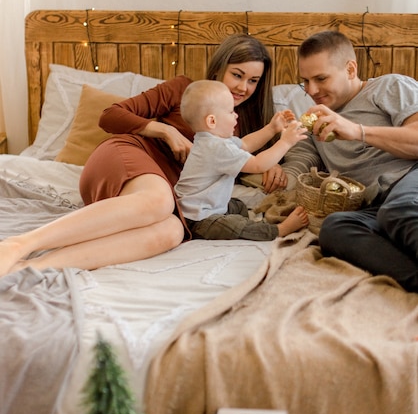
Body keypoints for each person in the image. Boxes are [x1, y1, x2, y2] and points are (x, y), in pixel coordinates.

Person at [0, 34, 291, 277]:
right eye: (237, 75)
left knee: (172, 233)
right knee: (158, 200)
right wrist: (164, 131)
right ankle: (21, 244)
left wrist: (274, 160)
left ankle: (33, 266)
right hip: (128, 159)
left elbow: (243, 158)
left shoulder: (238, 123)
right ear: (219, 68)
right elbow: (110, 116)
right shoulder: (183, 90)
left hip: (167, 203)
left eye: (253, 81)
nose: (243, 87)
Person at [281, 29, 418, 291]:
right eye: (305, 81)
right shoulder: (316, 122)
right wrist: (274, 171)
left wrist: (357, 131)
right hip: (376, 203)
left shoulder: (390, 86)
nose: (312, 90)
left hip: (411, 179)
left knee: (398, 210)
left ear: (351, 69)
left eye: (321, 78)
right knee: (334, 228)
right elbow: (298, 161)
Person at [175, 80, 308, 240]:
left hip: (207, 208)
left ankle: (250, 224)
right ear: (212, 121)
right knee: (234, 225)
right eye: (231, 112)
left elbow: (245, 144)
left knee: (237, 205)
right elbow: (258, 164)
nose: (236, 115)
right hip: (197, 219)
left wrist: (271, 128)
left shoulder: (213, 141)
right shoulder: (216, 148)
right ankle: (279, 230)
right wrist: (285, 142)